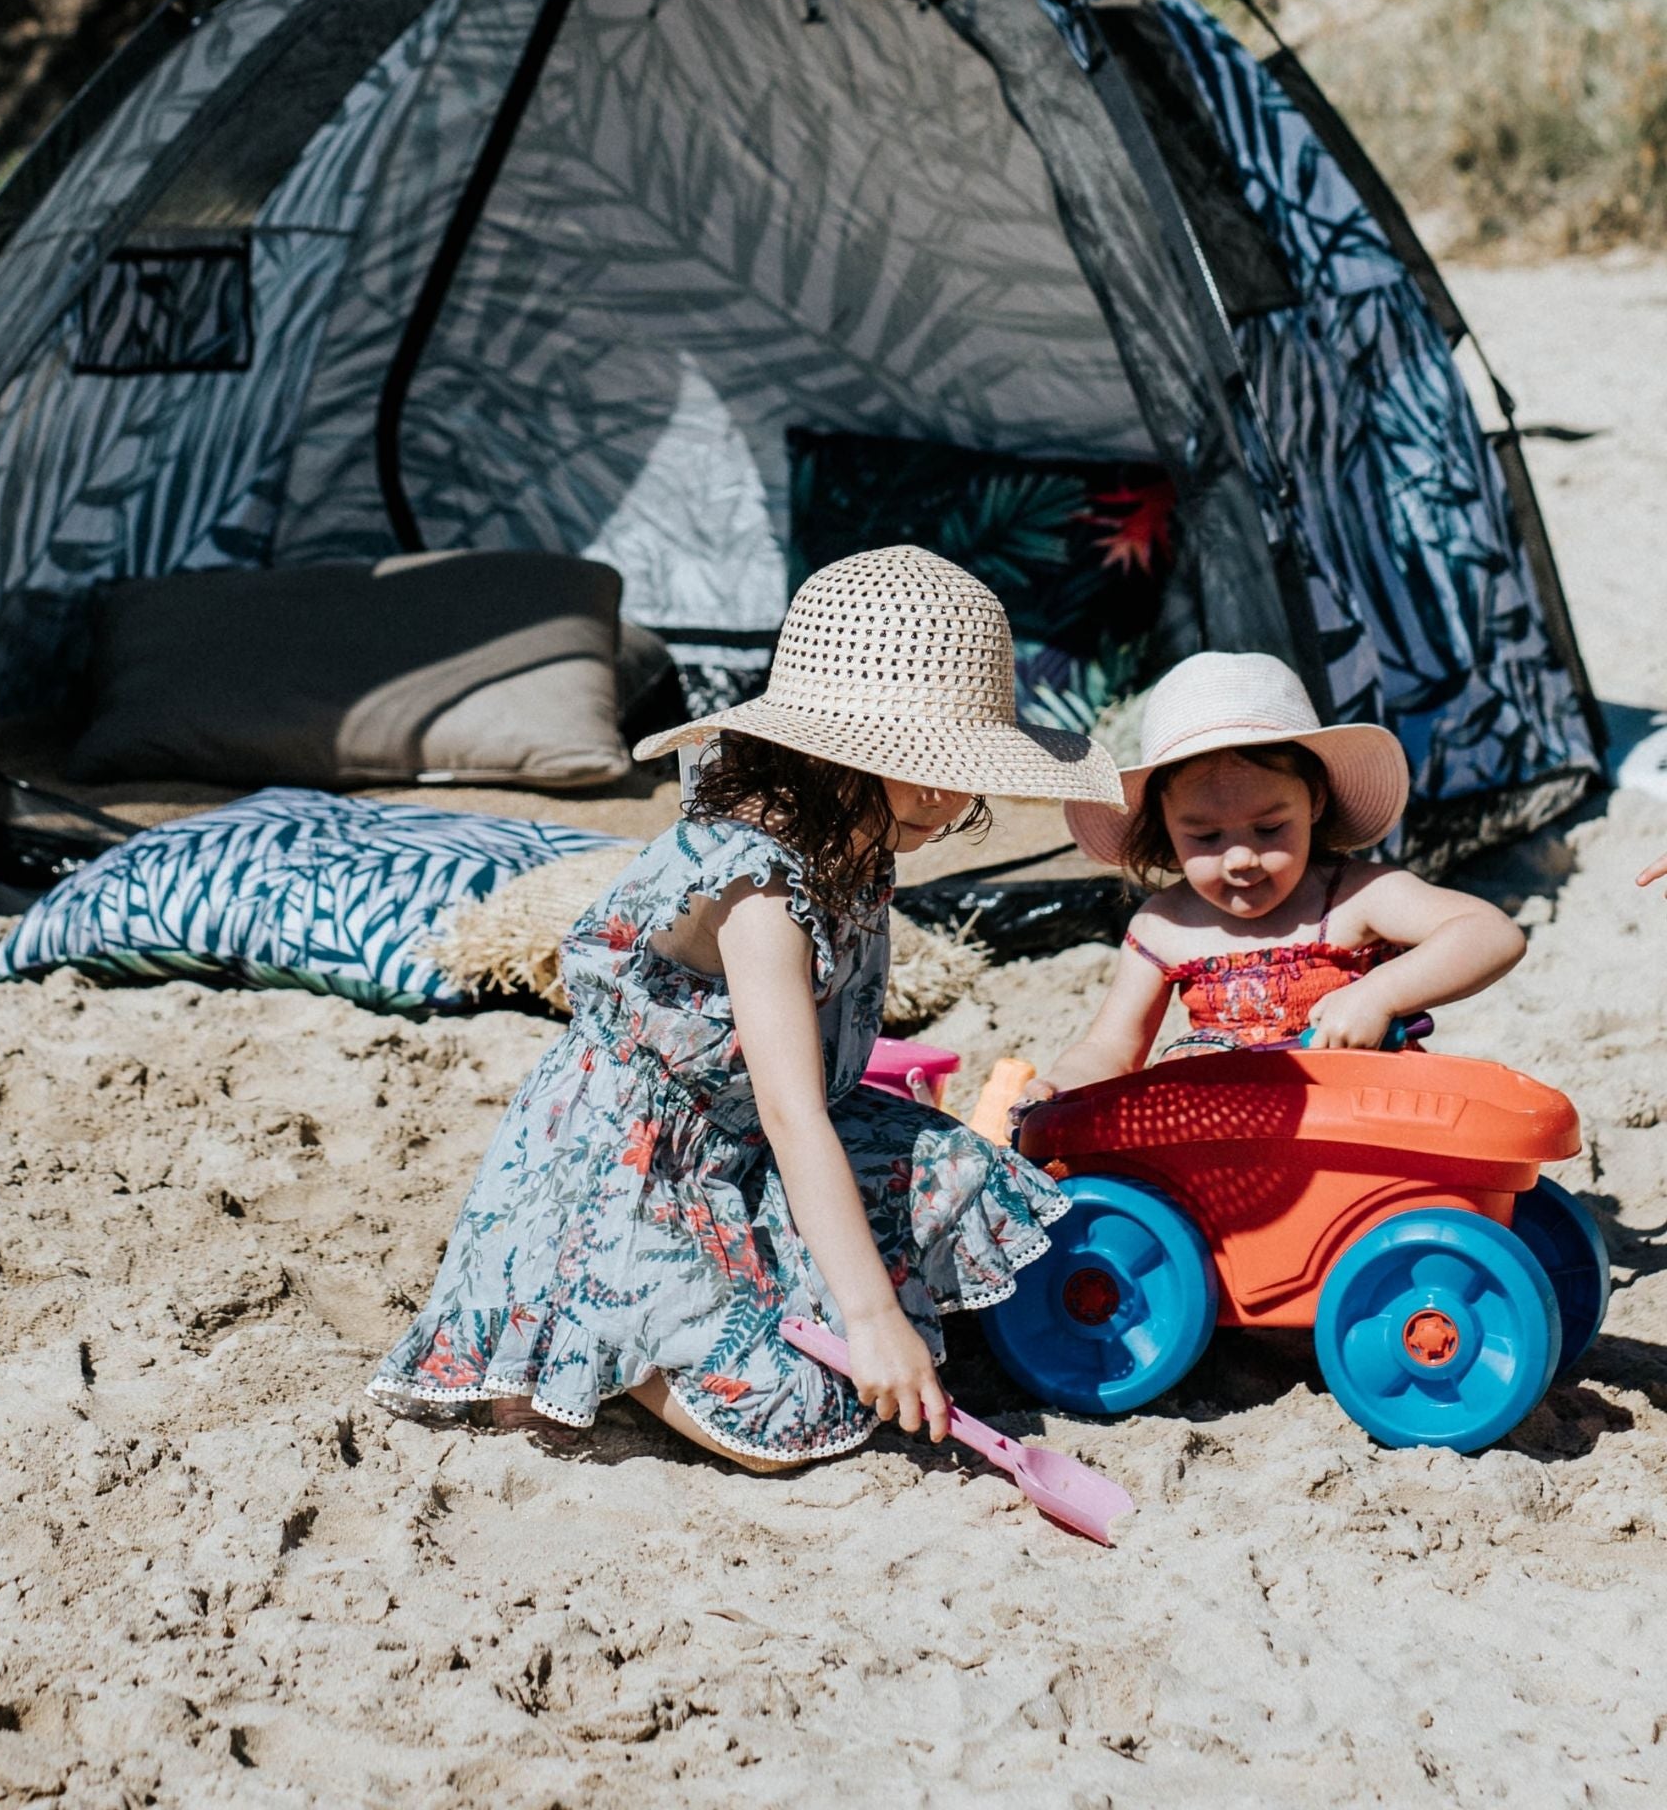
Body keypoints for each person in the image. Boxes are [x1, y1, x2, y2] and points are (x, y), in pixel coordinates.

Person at [369, 545, 1123, 1472]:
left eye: (959, 765)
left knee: (969, 1178)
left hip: (745, 1144)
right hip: (634, 1169)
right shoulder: (758, 888)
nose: (944, 794)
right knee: (787, 1420)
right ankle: (596, 1336)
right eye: (914, 762)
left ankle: (723, 1302)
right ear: (820, 753)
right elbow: (789, 1109)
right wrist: (874, 1315)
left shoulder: (858, 837)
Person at [1026, 651, 1527, 1104]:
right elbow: (1112, 1049)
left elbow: (1491, 933)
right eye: (1205, 837)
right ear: (1164, 826)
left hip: (1366, 1125)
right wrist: (1060, 1085)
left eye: (1269, 828)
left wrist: (1379, 995)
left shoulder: (1355, 897)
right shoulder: (1164, 926)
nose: (1241, 858)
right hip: (1231, 1144)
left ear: (1314, 801)